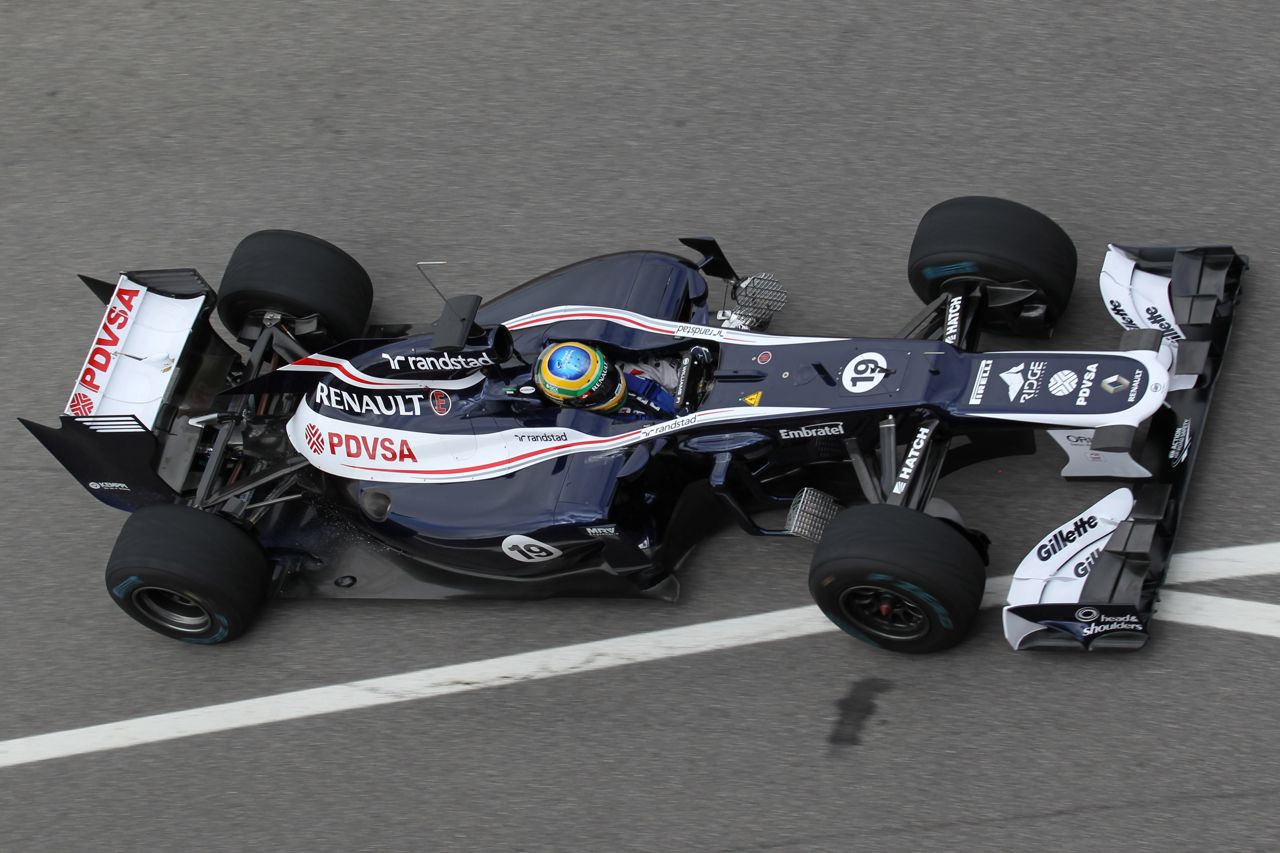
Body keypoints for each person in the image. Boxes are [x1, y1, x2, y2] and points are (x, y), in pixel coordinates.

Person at [534, 341, 677, 419]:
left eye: (607, 374)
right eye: (598, 392)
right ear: (573, 403)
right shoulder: (588, 428)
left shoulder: (633, 369)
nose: (608, 387)